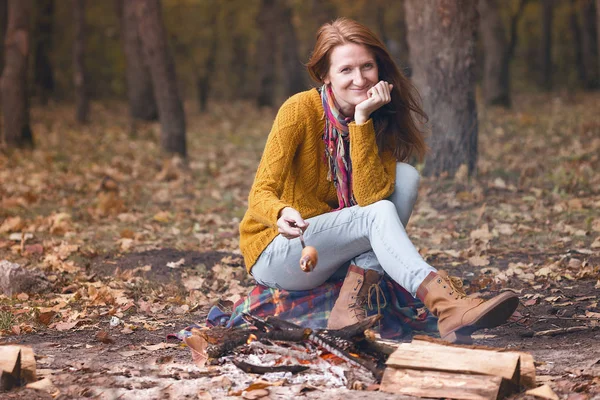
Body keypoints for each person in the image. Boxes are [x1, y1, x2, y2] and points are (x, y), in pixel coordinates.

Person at [239, 18, 518, 344]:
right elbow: (260, 192)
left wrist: (361, 121)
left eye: (367, 67)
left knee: (406, 177)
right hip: (283, 250)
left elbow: (372, 198)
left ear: (378, 68)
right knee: (379, 212)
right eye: (346, 70)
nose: (359, 79)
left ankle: (350, 302)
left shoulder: (377, 117)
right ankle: (446, 303)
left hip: (335, 252)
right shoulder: (299, 110)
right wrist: (280, 212)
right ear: (325, 75)